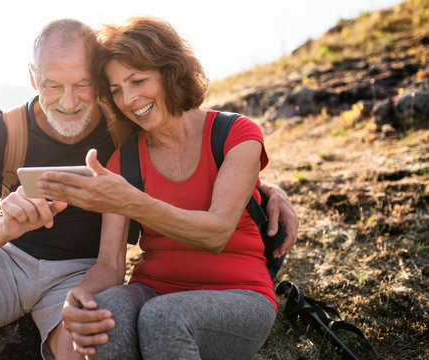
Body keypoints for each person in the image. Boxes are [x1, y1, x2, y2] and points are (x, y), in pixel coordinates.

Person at [0, 18, 297, 360]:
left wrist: (262, 188)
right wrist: (3, 227)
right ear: (34, 78)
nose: (69, 102)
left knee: (103, 337)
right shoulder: (10, 132)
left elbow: (198, 156)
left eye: (83, 85)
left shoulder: (125, 128)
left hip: (87, 273)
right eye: (52, 86)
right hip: (15, 263)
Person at [37, 17, 292, 359]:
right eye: (116, 90)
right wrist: (77, 298)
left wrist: (134, 202)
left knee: (165, 316)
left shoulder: (236, 134)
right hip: (152, 288)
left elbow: (216, 233)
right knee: (106, 311)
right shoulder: (124, 160)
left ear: (170, 71)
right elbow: (111, 265)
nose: (128, 99)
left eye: (138, 81)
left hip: (240, 294)